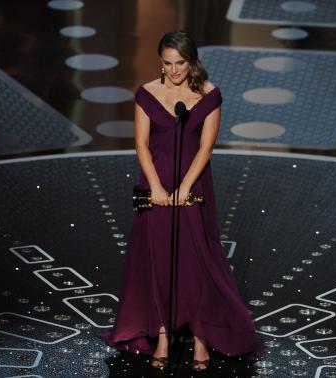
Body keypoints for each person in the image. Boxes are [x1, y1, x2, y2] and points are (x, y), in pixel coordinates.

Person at [105, 30, 263, 371]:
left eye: (181, 63)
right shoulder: (147, 93)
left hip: (194, 186)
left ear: (192, 62)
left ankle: (202, 337)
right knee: (155, 256)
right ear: (159, 62)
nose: (174, 70)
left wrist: (183, 188)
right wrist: (158, 188)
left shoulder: (209, 95)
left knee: (197, 259)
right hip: (153, 185)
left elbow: (206, 148)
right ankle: (162, 333)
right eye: (167, 63)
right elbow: (142, 145)